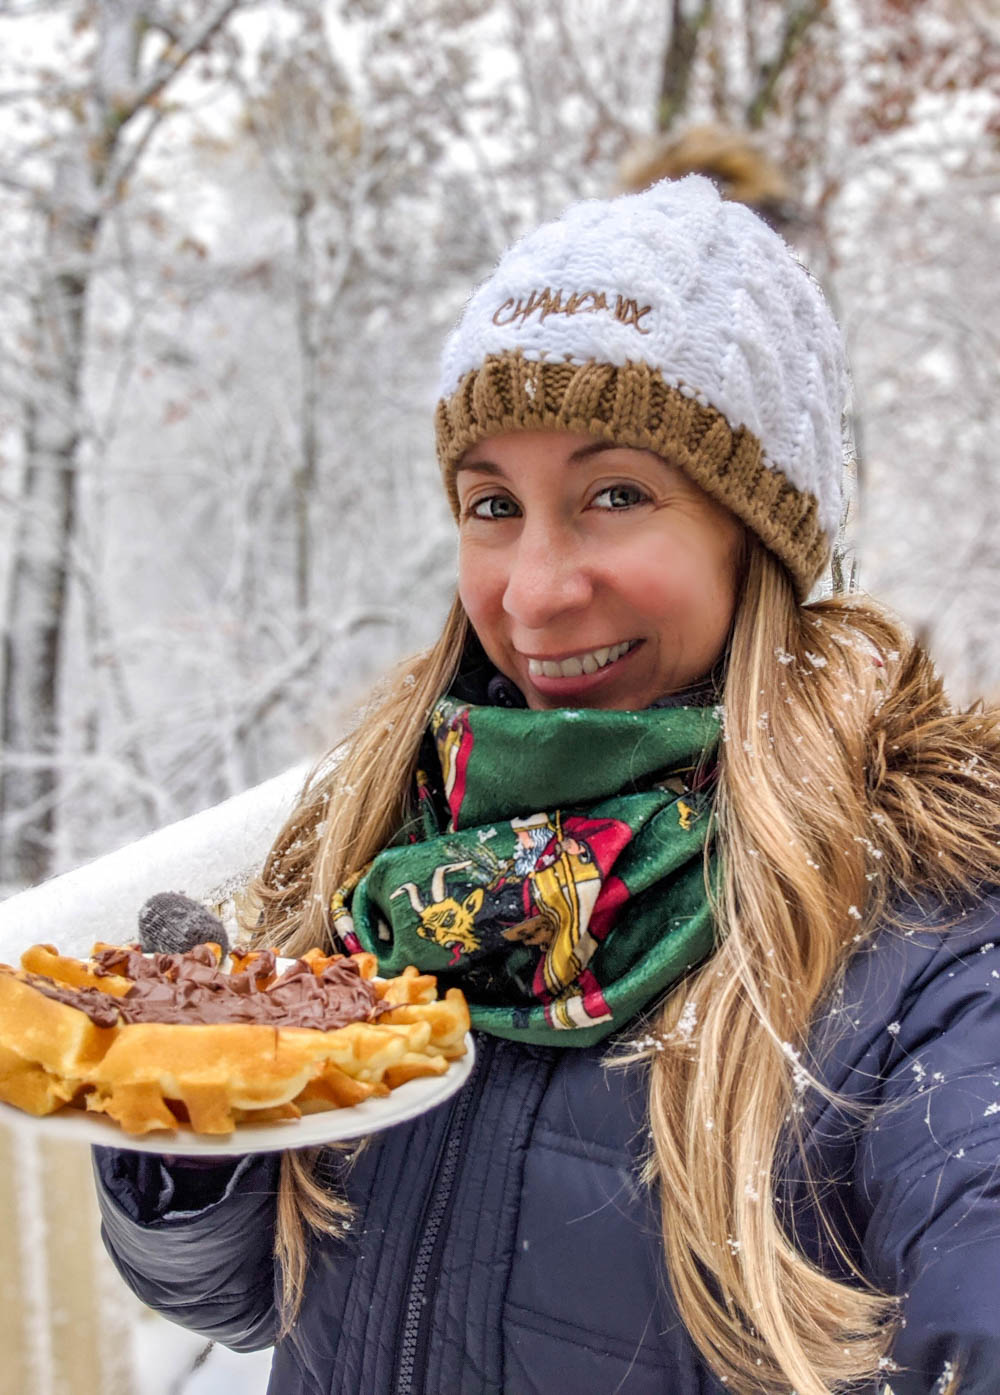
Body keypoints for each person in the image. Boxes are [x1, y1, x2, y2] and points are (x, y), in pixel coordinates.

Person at [93, 175, 1000, 1395]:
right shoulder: (380, 854)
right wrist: (193, 1138)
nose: (531, 592)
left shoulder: (917, 939)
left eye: (614, 495)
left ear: (759, 535)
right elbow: (246, 1295)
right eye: (491, 506)